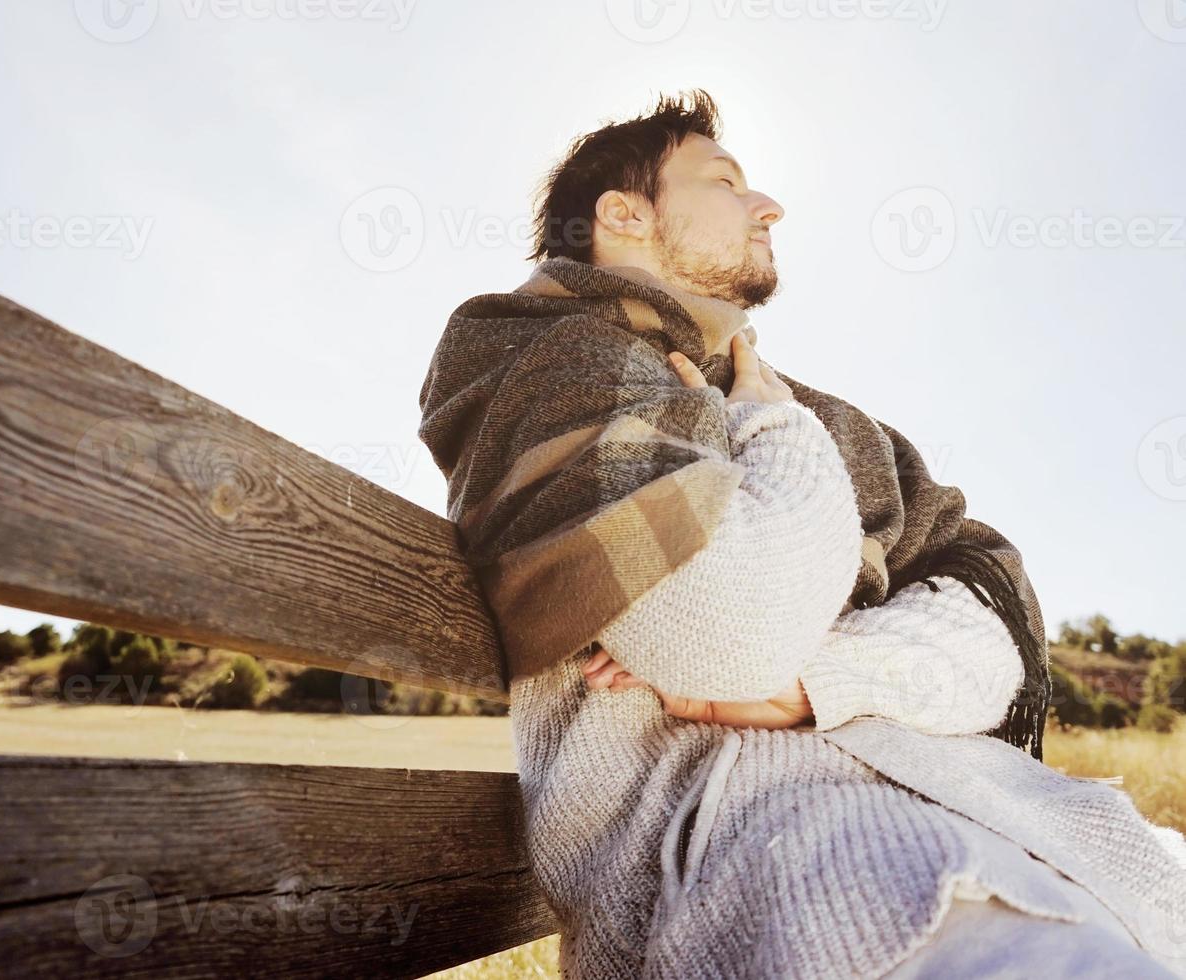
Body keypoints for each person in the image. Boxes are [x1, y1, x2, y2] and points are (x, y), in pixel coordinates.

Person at [416, 90, 1186, 978]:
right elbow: (727, 633)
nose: (767, 205)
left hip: (982, 820)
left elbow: (984, 613)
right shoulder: (555, 361)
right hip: (761, 850)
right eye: (726, 181)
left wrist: (818, 678)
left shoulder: (801, 412)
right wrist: (776, 436)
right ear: (624, 215)